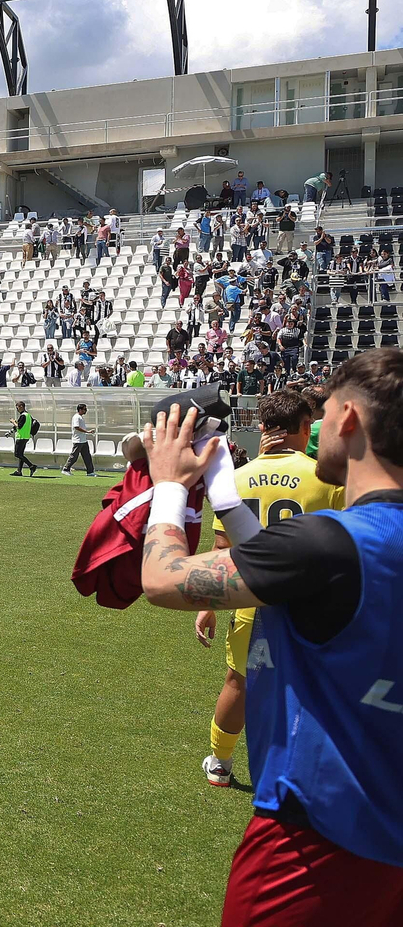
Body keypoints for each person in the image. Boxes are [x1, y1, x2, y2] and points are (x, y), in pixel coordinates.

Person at [139, 348, 403, 925]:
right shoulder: (349, 545)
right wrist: (222, 491)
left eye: (324, 409)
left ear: (350, 419)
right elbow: (289, 576)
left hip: (310, 850)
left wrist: (168, 486)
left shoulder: (332, 543)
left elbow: (161, 579)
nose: (317, 424)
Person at [193, 390, 343, 790]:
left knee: (238, 681)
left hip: (252, 599)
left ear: (261, 428)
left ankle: (220, 763)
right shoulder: (327, 477)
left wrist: (207, 604)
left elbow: (222, 549)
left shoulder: (236, 479)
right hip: (312, 602)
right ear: (306, 427)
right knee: (315, 685)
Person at [61, 403, 95, 476]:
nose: (86, 410)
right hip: (78, 440)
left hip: (83, 440)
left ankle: (90, 471)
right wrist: (87, 432)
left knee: (87, 456)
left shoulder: (81, 417)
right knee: (74, 456)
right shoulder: (76, 417)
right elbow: (76, 427)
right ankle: (66, 469)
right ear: (80, 410)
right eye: (84, 409)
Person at [10, 401, 39, 477]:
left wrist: (13, 422)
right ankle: (19, 471)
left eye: (17, 407)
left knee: (17, 454)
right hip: (26, 437)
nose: (17, 409)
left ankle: (31, 466)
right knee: (21, 454)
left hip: (21, 437)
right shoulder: (28, 415)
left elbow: (19, 426)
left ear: (21, 406)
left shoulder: (23, 415)